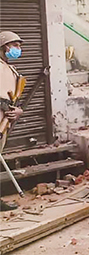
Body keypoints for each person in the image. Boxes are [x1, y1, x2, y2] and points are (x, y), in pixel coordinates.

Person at [0, 31, 24, 211]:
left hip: (3, 122)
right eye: (15, 45)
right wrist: (10, 109)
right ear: (5, 47)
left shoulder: (8, 67)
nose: (18, 49)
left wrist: (17, 110)